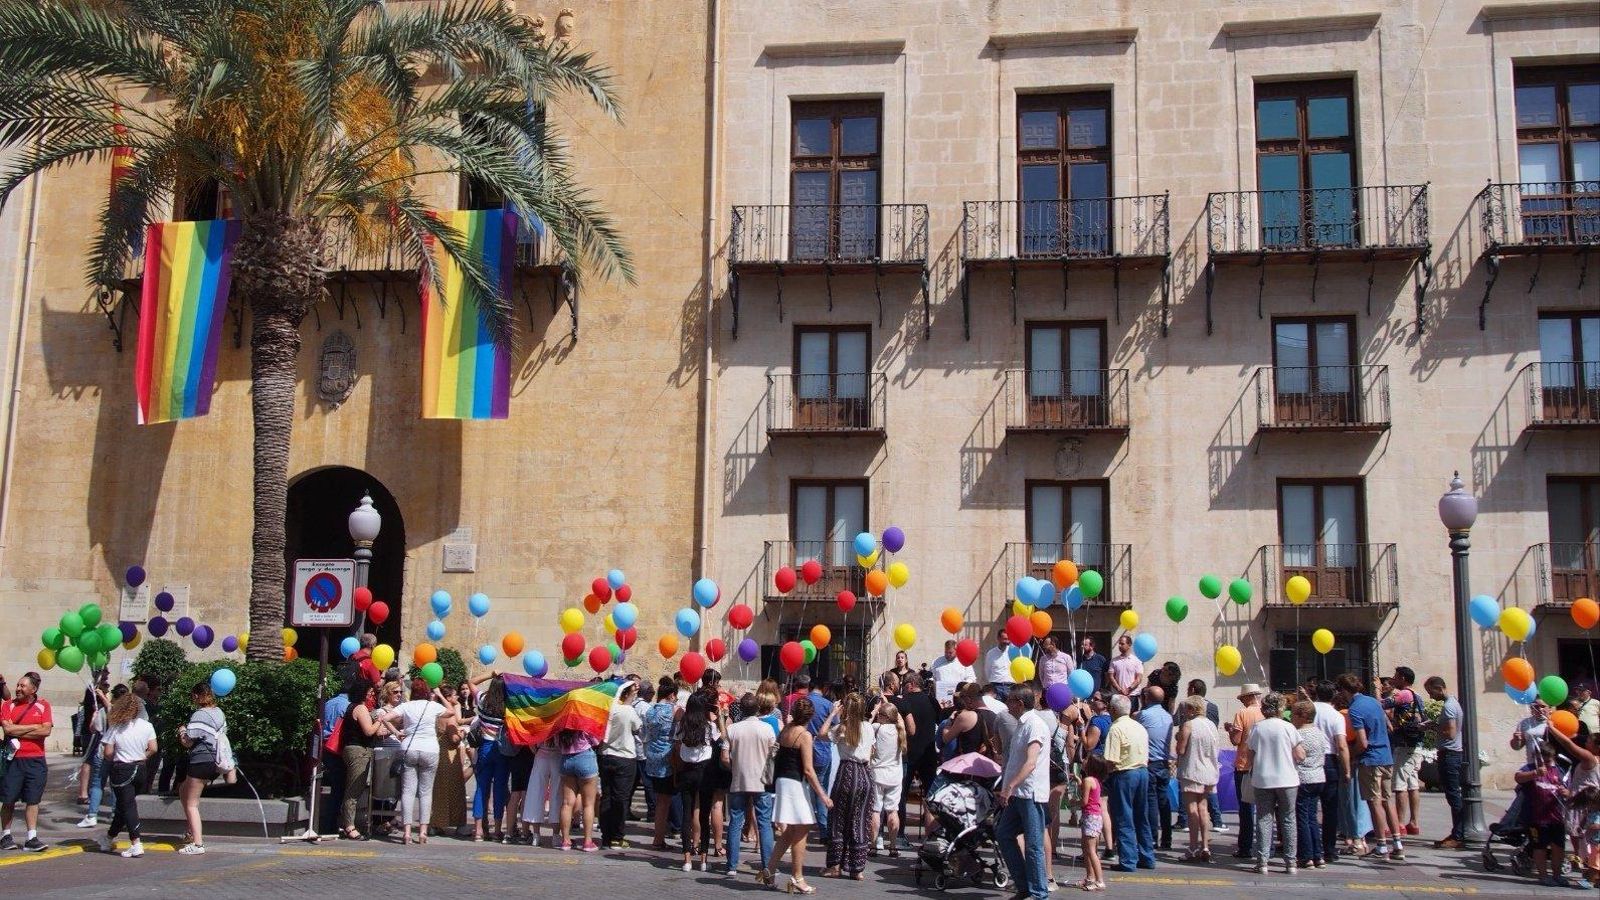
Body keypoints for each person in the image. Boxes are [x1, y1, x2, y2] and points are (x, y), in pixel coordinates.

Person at [766, 696, 831, 894]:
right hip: (794, 783)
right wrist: (823, 796)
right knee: (802, 829)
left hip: (783, 781)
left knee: (789, 832)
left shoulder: (786, 729)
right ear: (810, 717)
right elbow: (809, 770)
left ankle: (769, 870)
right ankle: (797, 877)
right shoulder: (804, 735)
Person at [1339, 672, 1403, 862]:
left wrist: (1351, 754)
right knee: (1387, 800)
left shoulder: (1355, 709)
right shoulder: (1374, 702)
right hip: (1386, 756)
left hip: (1371, 759)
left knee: (1374, 802)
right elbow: (1389, 727)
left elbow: (1362, 742)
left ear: (1344, 690)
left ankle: (1382, 845)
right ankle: (1397, 844)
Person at [995, 685, 1051, 900]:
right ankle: (1024, 885)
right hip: (1017, 793)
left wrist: (1009, 786)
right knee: (1004, 834)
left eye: (1009, 700)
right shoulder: (1022, 724)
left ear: (1019, 703)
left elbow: (1030, 763)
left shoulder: (1034, 725)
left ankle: (1038, 892)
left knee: (1034, 844)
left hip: (1030, 793)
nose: (1007, 703)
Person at [383, 685, 453, 845]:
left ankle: (406, 833)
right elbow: (451, 712)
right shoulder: (432, 705)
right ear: (427, 693)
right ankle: (422, 832)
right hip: (430, 749)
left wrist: (396, 732)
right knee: (426, 792)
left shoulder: (406, 706)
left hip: (409, 747)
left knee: (407, 791)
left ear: (412, 693)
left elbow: (385, 718)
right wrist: (439, 695)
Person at [96, 692, 156, 858]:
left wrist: (116, 756)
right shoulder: (147, 726)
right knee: (124, 806)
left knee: (127, 806)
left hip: (122, 769)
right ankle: (108, 838)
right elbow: (153, 748)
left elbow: (108, 752)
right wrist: (142, 756)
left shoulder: (116, 727)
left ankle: (136, 842)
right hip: (141, 769)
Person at [1246, 692, 1300, 875]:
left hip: (1263, 778)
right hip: (1287, 778)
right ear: (1281, 708)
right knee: (1288, 819)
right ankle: (1290, 862)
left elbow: (1250, 755)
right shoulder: (1288, 727)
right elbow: (1299, 754)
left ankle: (1262, 862)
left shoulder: (1257, 728)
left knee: (1263, 819)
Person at [725, 692, 776, 878]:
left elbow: (724, 757)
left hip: (739, 779)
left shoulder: (733, 730)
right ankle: (768, 865)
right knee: (764, 823)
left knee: (735, 822)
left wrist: (734, 767)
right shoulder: (767, 729)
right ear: (757, 709)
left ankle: (731, 865)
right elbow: (773, 756)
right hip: (761, 781)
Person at [823, 693, 873, 879]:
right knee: (859, 821)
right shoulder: (868, 727)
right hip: (865, 775)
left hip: (847, 773)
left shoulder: (841, 728)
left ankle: (835, 866)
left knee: (838, 819)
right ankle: (856, 868)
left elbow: (821, 734)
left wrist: (832, 714)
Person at [0, 672, 52, 852]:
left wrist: (17, 730)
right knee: (9, 799)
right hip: (13, 760)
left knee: (33, 800)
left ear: (33, 689)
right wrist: (34, 727)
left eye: (23, 686)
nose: (18, 689)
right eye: (18, 685)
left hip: (36, 760)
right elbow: (7, 728)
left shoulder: (43, 705)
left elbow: (46, 731)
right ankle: (6, 835)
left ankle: (31, 838)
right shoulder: (8, 705)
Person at [176, 682, 227, 855]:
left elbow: (187, 742)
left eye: (193, 696)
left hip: (201, 760)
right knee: (183, 790)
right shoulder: (219, 713)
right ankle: (191, 831)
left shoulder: (199, 715)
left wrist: (182, 731)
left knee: (191, 804)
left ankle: (197, 843)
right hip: (213, 760)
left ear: (197, 696)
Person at [1104, 693, 1153, 872]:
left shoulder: (1115, 728)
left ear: (1114, 710)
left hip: (1124, 773)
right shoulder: (1138, 726)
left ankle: (1128, 860)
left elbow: (1111, 759)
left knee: (1124, 817)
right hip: (1142, 771)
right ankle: (1147, 856)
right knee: (1142, 816)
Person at [1519, 740, 1574, 888]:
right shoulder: (1531, 768)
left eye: (1549, 760)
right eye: (1543, 760)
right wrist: (1534, 773)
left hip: (1557, 817)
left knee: (1558, 847)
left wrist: (1567, 793)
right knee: (1539, 847)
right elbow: (1518, 777)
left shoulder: (1560, 771)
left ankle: (1557, 875)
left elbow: (1570, 792)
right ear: (1536, 757)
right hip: (1537, 818)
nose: (1547, 763)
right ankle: (1543, 875)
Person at [675, 691, 719, 870]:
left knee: (687, 813)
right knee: (704, 815)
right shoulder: (709, 726)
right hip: (704, 770)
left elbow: (677, 747)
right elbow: (721, 738)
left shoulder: (682, 725)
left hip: (686, 770)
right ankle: (703, 859)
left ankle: (686, 859)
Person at [1174, 693, 1220, 862]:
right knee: (1203, 808)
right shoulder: (1211, 725)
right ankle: (1205, 846)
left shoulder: (1189, 725)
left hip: (1192, 769)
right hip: (1209, 771)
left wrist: (1178, 738)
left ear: (1192, 709)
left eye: (1185, 709)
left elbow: (1181, 750)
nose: (1184, 712)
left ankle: (1193, 847)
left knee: (1192, 809)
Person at [891, 673, 936, 843]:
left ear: (910, 685)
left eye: (904, 684)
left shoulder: (904, 701)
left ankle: (900, 834)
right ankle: (931, 835)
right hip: (928, 753)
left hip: (908, 753)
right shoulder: (931, 700)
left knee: (901, 794)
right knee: (931, 795)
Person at [1424, 676, 1466, 849]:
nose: (1430, 696)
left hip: (1450, 754)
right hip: (1452, 753)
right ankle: (1458, 832)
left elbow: (1450, 732)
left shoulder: (1449, 707)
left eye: (1431, 692)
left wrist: (1432, 726)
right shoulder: (1454, 703)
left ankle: (1459, 834)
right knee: (1453, 794)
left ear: (1439, 688)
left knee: (1453, 795)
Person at [1177, 679, 1224, 833]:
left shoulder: (1185, 706)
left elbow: (1177, 722)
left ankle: (1184, 821)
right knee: (1209, 792)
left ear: (1192, 689)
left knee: (1188, 794)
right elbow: (1215, 728)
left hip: (1191, 754)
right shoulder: (1213, 707)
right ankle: (1216, 820)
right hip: (1208, 752)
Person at [337, 679, 382, 840]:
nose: (372, 695)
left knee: (354, 788)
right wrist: (379, 720)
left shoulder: (351, 707)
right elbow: (369, 731)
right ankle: (349, 826)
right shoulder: (361, 708)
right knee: (354, 789)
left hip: (353, 750)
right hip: (359, 751)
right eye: (370, 692)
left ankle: (348, 823)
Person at [598, 680, 641, 848]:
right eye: (633, 692)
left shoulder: (610, 708)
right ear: (627, 694)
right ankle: (617, 835)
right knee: (621, 798)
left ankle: (605, 835)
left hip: (606, 755)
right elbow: (638, 728)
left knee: (607, 797)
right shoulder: (628, 711)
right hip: (624, 756)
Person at [1311, 680, 1350, 863]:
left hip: (1309, 758)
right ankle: (1329, 849)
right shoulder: (1336, 716)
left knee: (1308, 807)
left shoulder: (1307, 709)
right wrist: (1347, 769)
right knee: (1330, 809)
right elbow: (1341, 745)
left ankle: (1311, 848)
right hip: (1329, 759)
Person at [1384, 667, 1425, 839]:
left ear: (1402, 678)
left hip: (1404, 743)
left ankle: (1399, 823)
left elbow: (1382, 704)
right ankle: (1414, 822)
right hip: (1415, 744)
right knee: (1412, 783)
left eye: (1395, 676)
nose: (1393, 679)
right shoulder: (1418, 696)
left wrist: (1379, 690)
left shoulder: (1404, 694)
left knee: (1399, 784)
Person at [1225, 683, 1264, 858]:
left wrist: (1230, 731)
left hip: (1244, 764)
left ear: (1248, 697)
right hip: (1262, 765)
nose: (1241, 702)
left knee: (1246, 809)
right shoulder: (1267, 713)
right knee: (1265, 809)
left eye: (1242, 698)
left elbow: (1236, 740)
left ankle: (1245, 847)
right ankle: (1265, 846)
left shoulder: (1242, 713)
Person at [470, 676, 510, 842]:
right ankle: (497, 830)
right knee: (500, 789)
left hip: (485, 747)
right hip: (501, 749)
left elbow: (471, 682)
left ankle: (478, 830)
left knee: (481, 788)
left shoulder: (483, 700)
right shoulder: (507, 706)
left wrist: (491, 672)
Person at [1291, 700, 1329, 869]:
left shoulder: (1299, 735)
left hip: (1303, 777)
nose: (1291, 717)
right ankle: (1318, 854)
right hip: (1319, 777)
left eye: (1294, 715)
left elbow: (1298, 756)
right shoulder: (1320, 733)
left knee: (1302, 818)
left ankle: (1306, 856)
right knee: (1312, 816)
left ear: (1302, 716)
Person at [643, 677, 680, 850]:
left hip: (652, 758)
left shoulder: (650, 711)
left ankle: (659, 836)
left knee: (660, 800)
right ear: (672, 695)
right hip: (668, 758)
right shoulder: (674, 711)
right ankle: (658, 838)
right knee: (665, 802)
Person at [867, 695, 906, 859]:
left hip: (877, 773)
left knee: (876, 810)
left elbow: (865, 727)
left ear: (883, 717)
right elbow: (901, 721)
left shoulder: (877, 727)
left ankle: (874, 845)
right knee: (893, 811)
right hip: (895, 775)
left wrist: (874, 712)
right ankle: (893, 846)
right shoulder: (899, 731)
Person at [556, 720, 602, 852]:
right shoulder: (584, 721)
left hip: (566, 760)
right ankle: (587, 842)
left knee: (566, 803)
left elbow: (558, 743)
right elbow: (596, 741)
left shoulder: (561, 724)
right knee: (588, 804)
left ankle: (565, 840)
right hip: (585, 758)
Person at [1137, 685, 1173, 851]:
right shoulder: (1168, 717)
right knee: (1163, 801)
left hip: (1150, 761)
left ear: (1147, 697)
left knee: (1151, 801)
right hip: (1164, 762)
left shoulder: (1143, 715)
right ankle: (1167, 838)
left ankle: (1152, 838)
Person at [431, 689, 468, 837]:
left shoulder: (434, 713)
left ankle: (436, 824)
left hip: (436, 753)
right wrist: (462, 733)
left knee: (438, 791)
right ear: (447, 698)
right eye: (453, 695)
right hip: (449, 755)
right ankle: (459, 824)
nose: (456, 697)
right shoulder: (449, 716)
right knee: (455, 790)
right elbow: (454, 739)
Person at [75, 673, 109, 824]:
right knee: (89, 761)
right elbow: (92, 726)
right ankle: (83, 793)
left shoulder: (100, 698)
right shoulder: (93, 693)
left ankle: (90, 808)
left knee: (94, 770)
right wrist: (102, 696)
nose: (108, 684)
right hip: (93, 734)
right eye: (106, 682)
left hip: (97, 734)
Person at [804, 679, 835, 833]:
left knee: (806, 787)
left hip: (804, 750)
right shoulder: (828, 705)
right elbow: (836, 725)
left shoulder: (803, 703)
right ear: (824, 688)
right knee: (821, 789)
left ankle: (806, 821)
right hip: (823, 750)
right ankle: (823, 828)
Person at [1078, 754, 1109, 891]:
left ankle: (1099, 880)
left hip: (1090, 817)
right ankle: (1090, 877)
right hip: (1095, 817)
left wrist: (1075, 802)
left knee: (1090, 850)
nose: (1083, 761)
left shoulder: (1088, 780)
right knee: (1087, 848)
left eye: (1086, 760)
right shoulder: (1095, 780)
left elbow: (1084, 801)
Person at [931, 640, 975, 707]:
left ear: (956, 651)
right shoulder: (936, 662)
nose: (947, 655)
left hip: (959, 698)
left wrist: (962, 688)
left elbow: (972, 678)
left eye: (950, 653)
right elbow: (932, 676)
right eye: (946, 652)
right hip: (941, 699)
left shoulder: (964, 661)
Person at [1107, 635, 1143, 705]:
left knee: (1132, 715)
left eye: (1122, 644)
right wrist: (1119, 690)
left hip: (1132, 696)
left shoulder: (1137, 661)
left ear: (1129, 645)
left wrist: (1128, 690)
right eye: (1119, 644)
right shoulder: (1114, 661)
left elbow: (1139, 678)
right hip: (1118, 695)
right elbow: (1111, 677)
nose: (1119, 646)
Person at [984, 631, 1016, 701]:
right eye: (1004, 639)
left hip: (1011, 687)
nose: (1007, 641)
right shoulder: (991, 653)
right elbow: (987, 671)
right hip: (996, 687)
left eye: (1008, 639)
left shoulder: (1013, 652)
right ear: (998, 639)